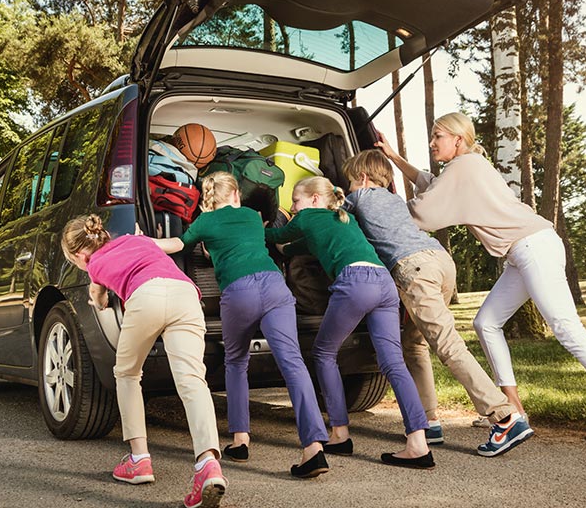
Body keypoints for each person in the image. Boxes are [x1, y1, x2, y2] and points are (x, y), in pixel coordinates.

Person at [377, 111, 586, 443]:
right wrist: (394, 158)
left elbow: (423, 210)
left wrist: (377, 209)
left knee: (568, 330)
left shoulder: (463, 167)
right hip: (523, 252)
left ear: (458, 139)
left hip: (533, 247)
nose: (433, 142)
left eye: (438, 136)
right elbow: (432, 184)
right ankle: (513, 409)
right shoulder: (466, 167)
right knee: (486, 323)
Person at [341, 150, 531, 456]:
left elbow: (330, 209)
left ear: (362, 178)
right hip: (441, 262)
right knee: (414, 343)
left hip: (414, 269)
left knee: (448, 345)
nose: (349, 187)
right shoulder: (394, 200)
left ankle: (505, 416)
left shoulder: (361, 196)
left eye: (350, 181)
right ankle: (428, 421)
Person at [154, 171, 330, 479]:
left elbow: (178, 245)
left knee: (236, 361)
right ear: (236, 195)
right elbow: (245, 239)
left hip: (240, 292)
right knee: (293, 364)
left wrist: (146, 240)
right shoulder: (251, 215)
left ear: (209, 198)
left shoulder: (204, 223)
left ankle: (240, 440)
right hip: (275, 286)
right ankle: (314, 447)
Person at [264, 176, 436, 469]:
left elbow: (275, 239)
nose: (294, 207)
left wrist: (258, 222)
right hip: (384, 283)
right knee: (393, 362)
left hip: (356, 282)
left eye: (296, 200)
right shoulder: (344, 218)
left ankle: (340, 433)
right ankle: (418, 444)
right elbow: (293, 249)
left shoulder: (306, 217)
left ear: (315, 199)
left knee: (323, 353)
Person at [61, 215, 227, 508]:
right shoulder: (136, 240)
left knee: (126, 373)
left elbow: (98, 299)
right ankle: (208, 463)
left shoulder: (94, 265)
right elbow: (165, 249)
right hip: (186, 294)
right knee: (191, 380)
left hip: (146, 296)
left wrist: (98, 299)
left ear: (79, 255)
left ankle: (139, 459)